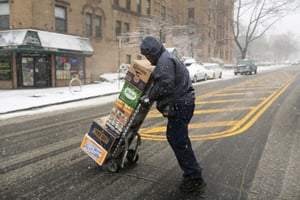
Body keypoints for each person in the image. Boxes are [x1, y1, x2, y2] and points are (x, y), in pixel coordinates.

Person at [140, 36, 206, 193]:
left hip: (181, 104)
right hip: (183, 103)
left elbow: (165, 84)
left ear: (154, 51)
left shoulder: (164, 61)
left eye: (148, 55)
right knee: (178, 139)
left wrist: (149, 97)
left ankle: (194, 177)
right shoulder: (165, 59)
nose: (148, 60)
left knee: (178, 139)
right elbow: (162, 81)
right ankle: (192, 171)